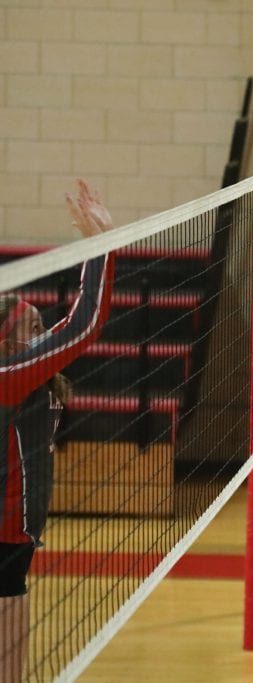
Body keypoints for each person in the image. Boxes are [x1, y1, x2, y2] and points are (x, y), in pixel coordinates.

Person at [0, 180, 115, 683]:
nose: (41, 332)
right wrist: (101, 248)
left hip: (14, 526)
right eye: (30, 329)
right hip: (4, 524)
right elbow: (83, 324)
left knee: (12, 603)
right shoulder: (9, 378)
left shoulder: (21, 373)